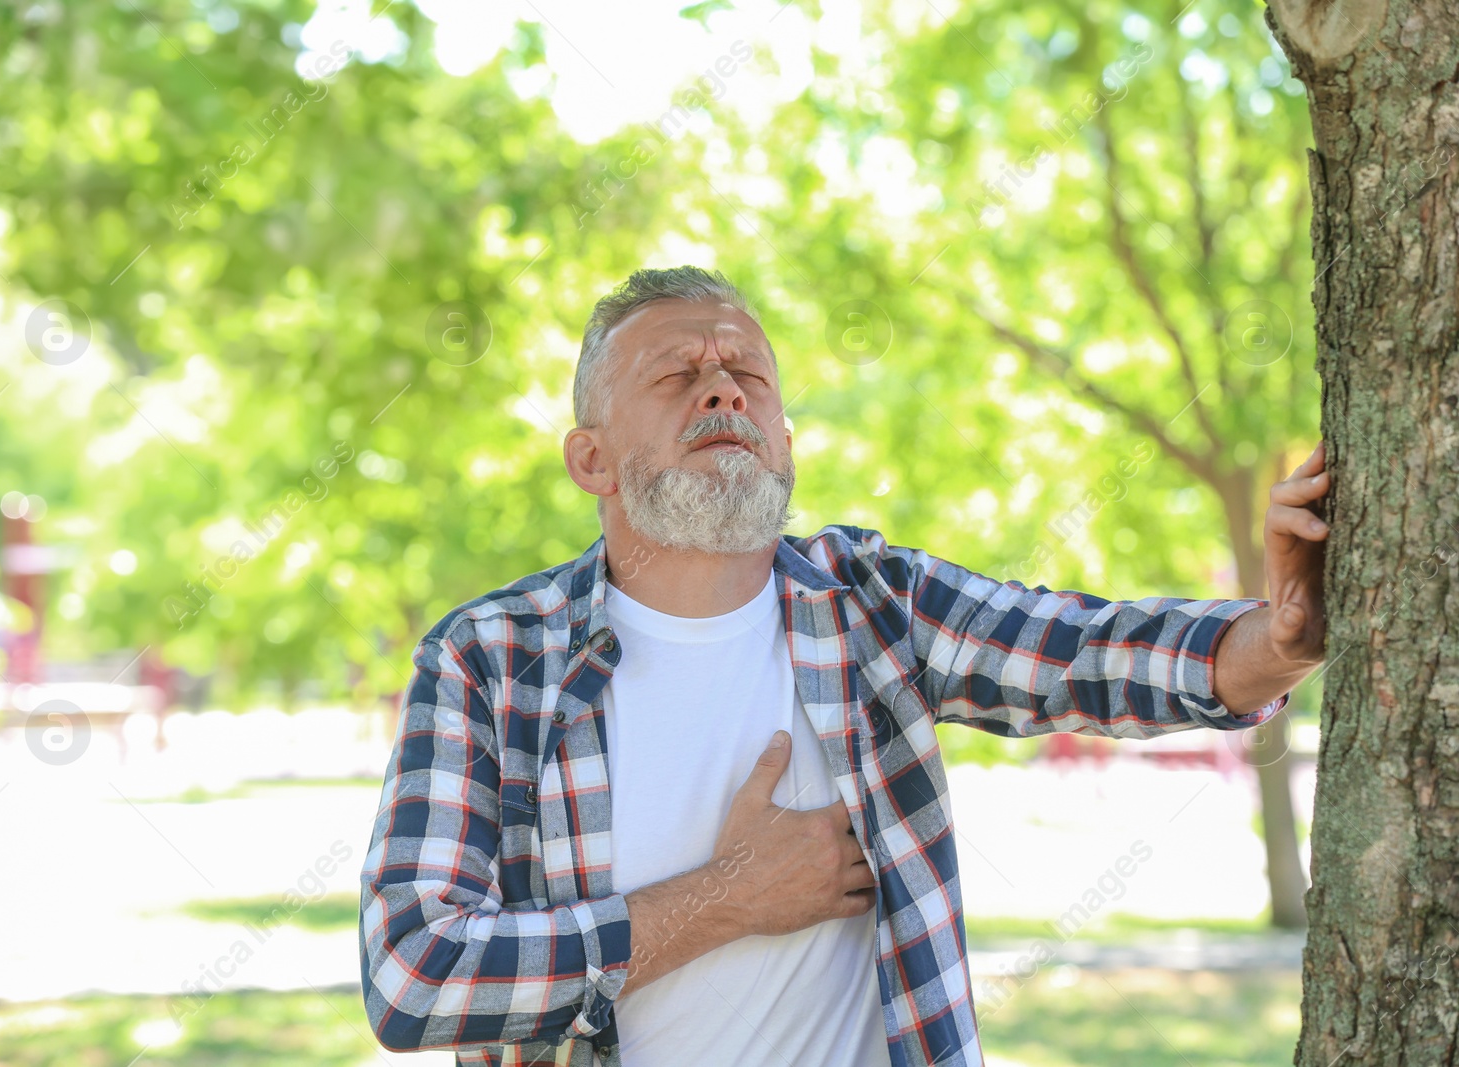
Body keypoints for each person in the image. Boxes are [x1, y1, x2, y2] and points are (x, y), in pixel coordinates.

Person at [359, 266, 1328, 1067]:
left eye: (747, 372)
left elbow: (1095, 656)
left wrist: (1280, 634)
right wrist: (727, 895)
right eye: (675, 374)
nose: (723, 386)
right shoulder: (489, 658)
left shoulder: (874, 602)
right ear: (591, 459)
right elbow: (412, 976)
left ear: (783, 443)